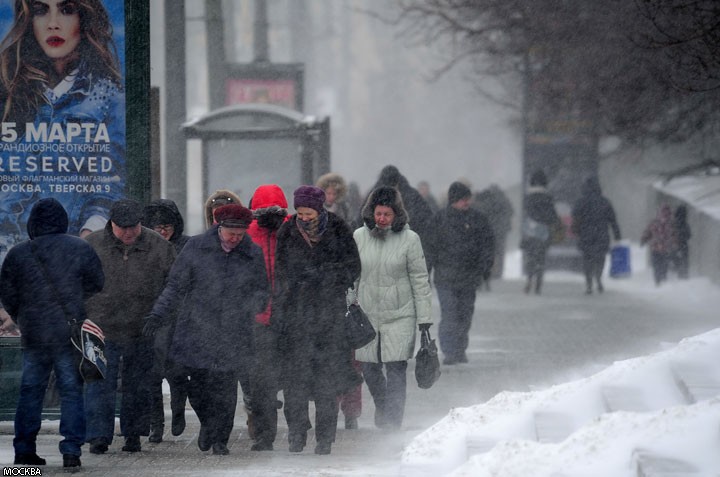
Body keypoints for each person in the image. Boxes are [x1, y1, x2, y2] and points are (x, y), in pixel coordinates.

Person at [143, 203, 269, 456]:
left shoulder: (251, 253)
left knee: (226, 387)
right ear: (219, 227)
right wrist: (158, 314)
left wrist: (253, 305)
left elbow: (261, 288)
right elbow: (176, 285)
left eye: (240, 234)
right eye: (230, 233)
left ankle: (221, 438)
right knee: (198, 387)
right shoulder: (196, 247)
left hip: (234, 329)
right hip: (198, 326)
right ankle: (208, 424)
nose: (235, 238)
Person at [0, 0, 126, 245]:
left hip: (69, 247)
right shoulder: (8, 92)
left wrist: (85, 240)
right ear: (28, 20)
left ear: (84, 19)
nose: (53, 25)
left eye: (66, 10)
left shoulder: (109, 101)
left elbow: (109, 187)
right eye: (41, 11)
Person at [0, 198, 104, 470]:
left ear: (33, 223)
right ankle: (71, 452)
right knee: (71, 390)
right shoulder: (80, 248)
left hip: (33, 334)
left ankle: (24, 454)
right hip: (68, 332)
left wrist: (24, 316)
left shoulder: (18, 253)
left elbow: (8, 295)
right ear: (63, 221)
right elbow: (97, 283)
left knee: (30, 391)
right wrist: (74, 303)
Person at [273, 185, 362, 455]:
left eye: (309, 212)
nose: (304, 217)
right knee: (295, 384)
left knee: (326, 383)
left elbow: (353, 266)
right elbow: (280, 269)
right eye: (300, 212)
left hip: (329, 318)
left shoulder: (337, 228)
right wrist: (297, 280)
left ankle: (325, 438)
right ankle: (296, 434)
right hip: (296, 317)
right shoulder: (288, 230)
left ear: (319, 209)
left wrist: (326, 275)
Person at [83, 199, 176, 454]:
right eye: (121, 227)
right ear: (110, 224)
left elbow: (173, 284)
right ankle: (98, 436)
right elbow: (78, 281)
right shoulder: (92, 245)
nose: (127, 232)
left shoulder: (159, 246)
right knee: (99, 383)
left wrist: (160, 315)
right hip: (100, 326)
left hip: (142, 326)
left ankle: (133, 434)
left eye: (133, 227)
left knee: (138, 385)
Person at [353, 186, 432, 430]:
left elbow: (420, 279)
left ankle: (393, 421)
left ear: (396, 215)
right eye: (378, 213)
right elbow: (352, 276)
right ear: (371, 212)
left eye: (387, 214)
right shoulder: (359, 237)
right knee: (369, 368)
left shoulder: (410, 240)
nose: (382, 219)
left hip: (400, 314)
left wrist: (424, 318)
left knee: (397, 368)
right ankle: (384, 404)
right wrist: (348, 306)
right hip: (366, 314)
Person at [316, 172, 363, 430]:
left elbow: (352, 258)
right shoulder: (312, 219)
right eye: (328, 191)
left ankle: (351, 410)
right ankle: (332, 406)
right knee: (333, 358)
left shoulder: (345, 218)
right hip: (328, 297)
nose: (331, 196)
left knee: (350, 358)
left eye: (335, 191)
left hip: (343, 294)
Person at [142, 199, 191, 442]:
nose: (162, 231)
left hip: (178, 318)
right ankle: (156, 424)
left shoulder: (187, 246)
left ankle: (179, 412)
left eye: (167, 226)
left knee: (176, 372)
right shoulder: (144, 245)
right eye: (157, 226)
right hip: (148, 318)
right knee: (152, 375)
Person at [430, 182, 494, 365]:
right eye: (462, 199)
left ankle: (460, 349)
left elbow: (487, 245)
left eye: (468, 199)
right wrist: (425, 270)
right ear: (453, 200)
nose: (466, 202)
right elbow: (430, 247)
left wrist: (486, 266)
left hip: (469, 277)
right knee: (449, 314)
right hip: (446, 277)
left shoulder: (478, 219)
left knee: (465, 315)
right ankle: (449, 351)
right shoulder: (440, 219)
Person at [245, 184, 289, 451]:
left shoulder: (292, 232)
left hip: (285, 315)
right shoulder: (250, 234)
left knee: (280, 377)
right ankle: (264, 434)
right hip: (259, 317)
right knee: (261, 379)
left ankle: (289, 427)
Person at [361, 166, 434, 270]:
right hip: (404, 253)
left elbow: (363, 220)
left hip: (381, 255)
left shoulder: (373, 196)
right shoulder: (413, 196)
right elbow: (427, 225)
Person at [571, 177, 622, 295]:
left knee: (587, 260)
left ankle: (589, 283)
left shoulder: (581, 202)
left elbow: (576, 219)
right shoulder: (605, 202)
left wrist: (575, 231)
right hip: (601, 234)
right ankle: (598, 277)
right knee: (600, 259)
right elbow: (613, 220)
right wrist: (617, 234)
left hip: (585, 235)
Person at [520, 170, 562, 295]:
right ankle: (538, 284)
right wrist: (555, 223)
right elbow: (552, 215)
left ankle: (529, 279)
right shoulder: (547, 197)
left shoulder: (527, 197)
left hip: (529, 229)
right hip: (543, 231)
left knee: (530, 256)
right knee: (541, 258)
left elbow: (525, 213)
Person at [474, 184, 514, 283]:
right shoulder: (504, 200)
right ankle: (498, 272)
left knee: (490, 252)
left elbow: (485, 212)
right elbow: (511, 211)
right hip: (501, 231)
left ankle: (490, 271)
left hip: (491, 230)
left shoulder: (488, 200)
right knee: (500, 252)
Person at [641, 204, 676, 286]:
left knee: (658, 265)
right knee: (662, 265)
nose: (664, 214)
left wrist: (644, 239)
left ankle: (659, 281)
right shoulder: (670, 223)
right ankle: (660, 280)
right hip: (663, 248)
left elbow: (647, 232)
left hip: (658, 247)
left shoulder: (657, 222)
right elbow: (674, 235)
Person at [672, 205, 691, 279]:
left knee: (678, 261)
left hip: (676, 245)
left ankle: (679, 275)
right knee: (684, 261)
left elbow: (671, 234)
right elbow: (689, 235)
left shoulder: (674, 223)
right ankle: (684, 275)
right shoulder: (685, 224)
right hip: (683, 245)